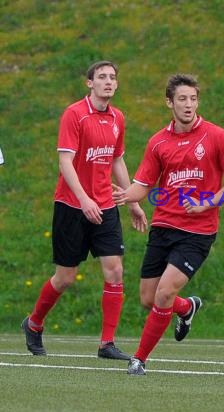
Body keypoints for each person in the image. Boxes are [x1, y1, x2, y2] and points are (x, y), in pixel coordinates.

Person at [112, 74, 224, 376]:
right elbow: (142, 185)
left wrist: (207, 202)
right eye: (182, 99)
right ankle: (186, 308)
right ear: (169, 102)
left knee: (163, 293)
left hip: (197, 232)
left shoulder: (217, 137)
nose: (188, 104)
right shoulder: (158, 142)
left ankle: (139, 359)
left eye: (193, 98)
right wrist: (124, 196)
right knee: (148, 298)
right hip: (163, 227)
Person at [21, 60, 147, 359]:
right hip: (71, 206)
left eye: (112, 77)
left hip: (104, 205)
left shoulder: (117, 118)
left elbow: (116, 160)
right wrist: (83, 199)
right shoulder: (74, 114)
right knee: (65, 277)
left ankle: (107, 344)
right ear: (89, 83)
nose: (108, 82)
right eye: (101, 77)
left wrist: (133, 201)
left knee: (115, 271)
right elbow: (65, 162)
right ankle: (34, 324)